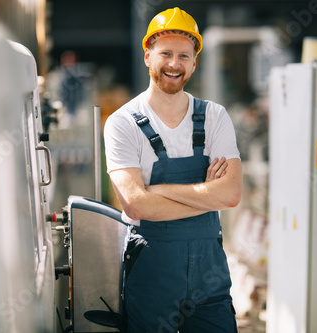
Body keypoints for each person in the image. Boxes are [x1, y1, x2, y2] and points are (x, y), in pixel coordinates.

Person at [103, 7, 242, 333]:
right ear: (148, 56)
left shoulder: (214, 117)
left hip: (209, 273)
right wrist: (207, 194)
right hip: (153, 270)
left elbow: (231, 194)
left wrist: (160, 192)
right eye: (165, 53)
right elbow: (137, 205)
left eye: (184, 55)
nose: (174, 64)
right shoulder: (122, 123)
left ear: (194, 62)